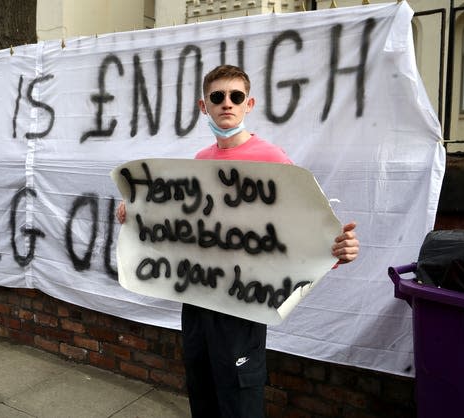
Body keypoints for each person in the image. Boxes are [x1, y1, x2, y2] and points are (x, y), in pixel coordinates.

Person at [116, 64, 359, 418]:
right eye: (218, 97)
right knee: (202, 390)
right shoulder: (200, 163)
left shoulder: (273, 161)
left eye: (235, 96)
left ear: (249, 104)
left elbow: (303, 226)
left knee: (238, 399)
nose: (226, 103)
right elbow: (180, 225)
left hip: (243, 303)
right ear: (204, 106)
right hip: (197, 298)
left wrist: (340, 252)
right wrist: (135, 211)